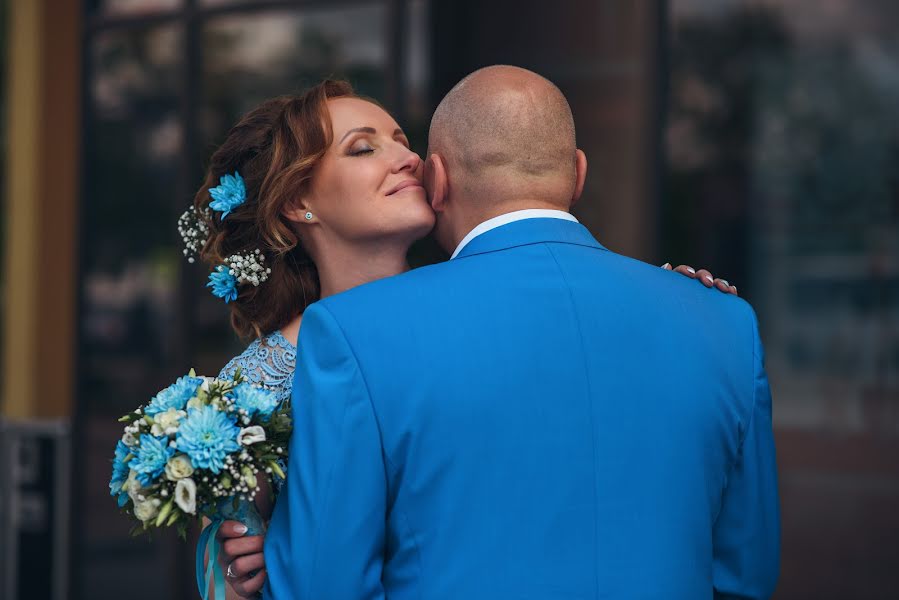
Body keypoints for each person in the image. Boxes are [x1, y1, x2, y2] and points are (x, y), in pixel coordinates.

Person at [192, 77, 738, 599]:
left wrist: (679, 307)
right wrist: (243, 570)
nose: (406, 158)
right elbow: (236, 564)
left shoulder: (498, 314)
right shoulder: (260, 383)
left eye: (403, 142)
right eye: (364, 149)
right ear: (297, 203)